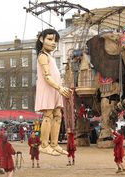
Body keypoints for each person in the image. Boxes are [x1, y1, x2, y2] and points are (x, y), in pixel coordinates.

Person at [35, 28, 72, 156]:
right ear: (41, 39)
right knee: (48, 115)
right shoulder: (42, 56)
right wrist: (60, 88)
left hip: (55, 89)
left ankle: (54, 144)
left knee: (58, 115)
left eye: (55, 40)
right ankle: (44, 145)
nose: (53, 43)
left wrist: (61, 87)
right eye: (50, 39)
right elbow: (47, 76)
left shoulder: (49, 56)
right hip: (48, 88)